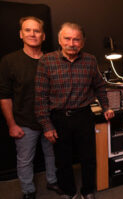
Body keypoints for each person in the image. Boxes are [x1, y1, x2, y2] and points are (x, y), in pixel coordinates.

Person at [34, 22, 115, 199]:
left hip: (84, 116)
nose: (72, 43)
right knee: (63, 160)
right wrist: (46, 125)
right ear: (59, 40)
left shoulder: (90, 60)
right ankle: (69, 192)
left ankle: (87, 191)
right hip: (59, 118)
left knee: (88, 158)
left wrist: (106, 106)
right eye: (67, 38)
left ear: (83, 43)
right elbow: (40, 97)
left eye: (76, 39)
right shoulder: (46, 61)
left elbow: (99, 87)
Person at [0, 16, 62, 199]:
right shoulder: (9, 61)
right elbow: (4, 96)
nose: (32, 34)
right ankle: (28, 191)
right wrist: (12, 125)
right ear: (21, 34)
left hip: (51, 121)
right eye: (28, 30)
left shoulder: (53, 60)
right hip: (24, 122)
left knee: (52, 155)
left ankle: (52, 181)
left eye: (36, 31)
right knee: (25, 160)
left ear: (43, 36)